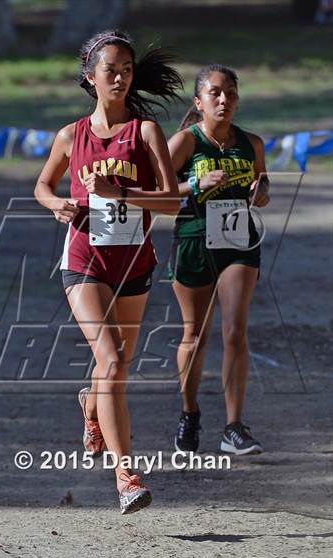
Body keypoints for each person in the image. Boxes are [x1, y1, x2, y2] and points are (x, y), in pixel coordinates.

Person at [34, 30, 181, 514]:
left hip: (134, 264)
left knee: (114, 370)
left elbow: (174, 202)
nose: (119, 77)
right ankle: (126, 476)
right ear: (90, 76)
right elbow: (42, 185)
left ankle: (90, 405)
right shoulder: (69, 136)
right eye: (110, 69)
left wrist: (123, 195)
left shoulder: (144, 133)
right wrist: (58, 204)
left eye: (126, 70)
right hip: (84, 263)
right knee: (113, 362)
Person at [168, 64, 270, 456]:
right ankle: (189, 412)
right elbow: (156, 194)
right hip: (194, 242)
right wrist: (194, 184)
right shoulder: (185, 143)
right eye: (214, 93)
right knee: (195, 335)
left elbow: (260, 184)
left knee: (234, 331)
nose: (223, 99)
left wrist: (262, 189)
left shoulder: (252, 144)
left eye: (230, 92)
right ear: (199, 102)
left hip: (239, 243)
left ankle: (233, 426)